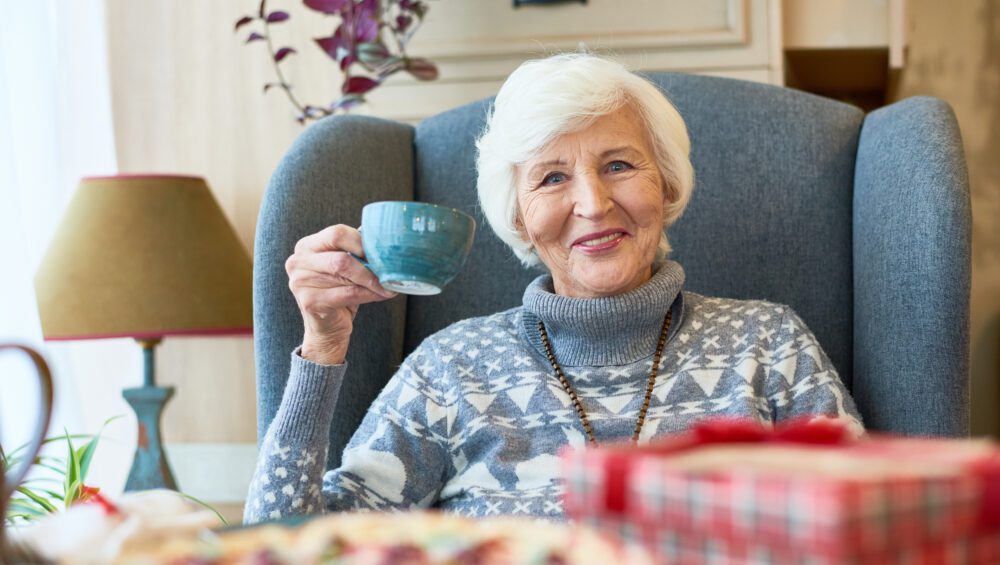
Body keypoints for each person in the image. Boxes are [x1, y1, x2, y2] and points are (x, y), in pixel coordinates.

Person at [244, 53, 864, 524]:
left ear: (667, 187)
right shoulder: (450, 370)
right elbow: (288, 550)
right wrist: (322, 347)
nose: (593, 204)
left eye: (619, 164)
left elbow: (871, 528)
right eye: (551, 177)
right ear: (517, 217)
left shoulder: (768, 343)